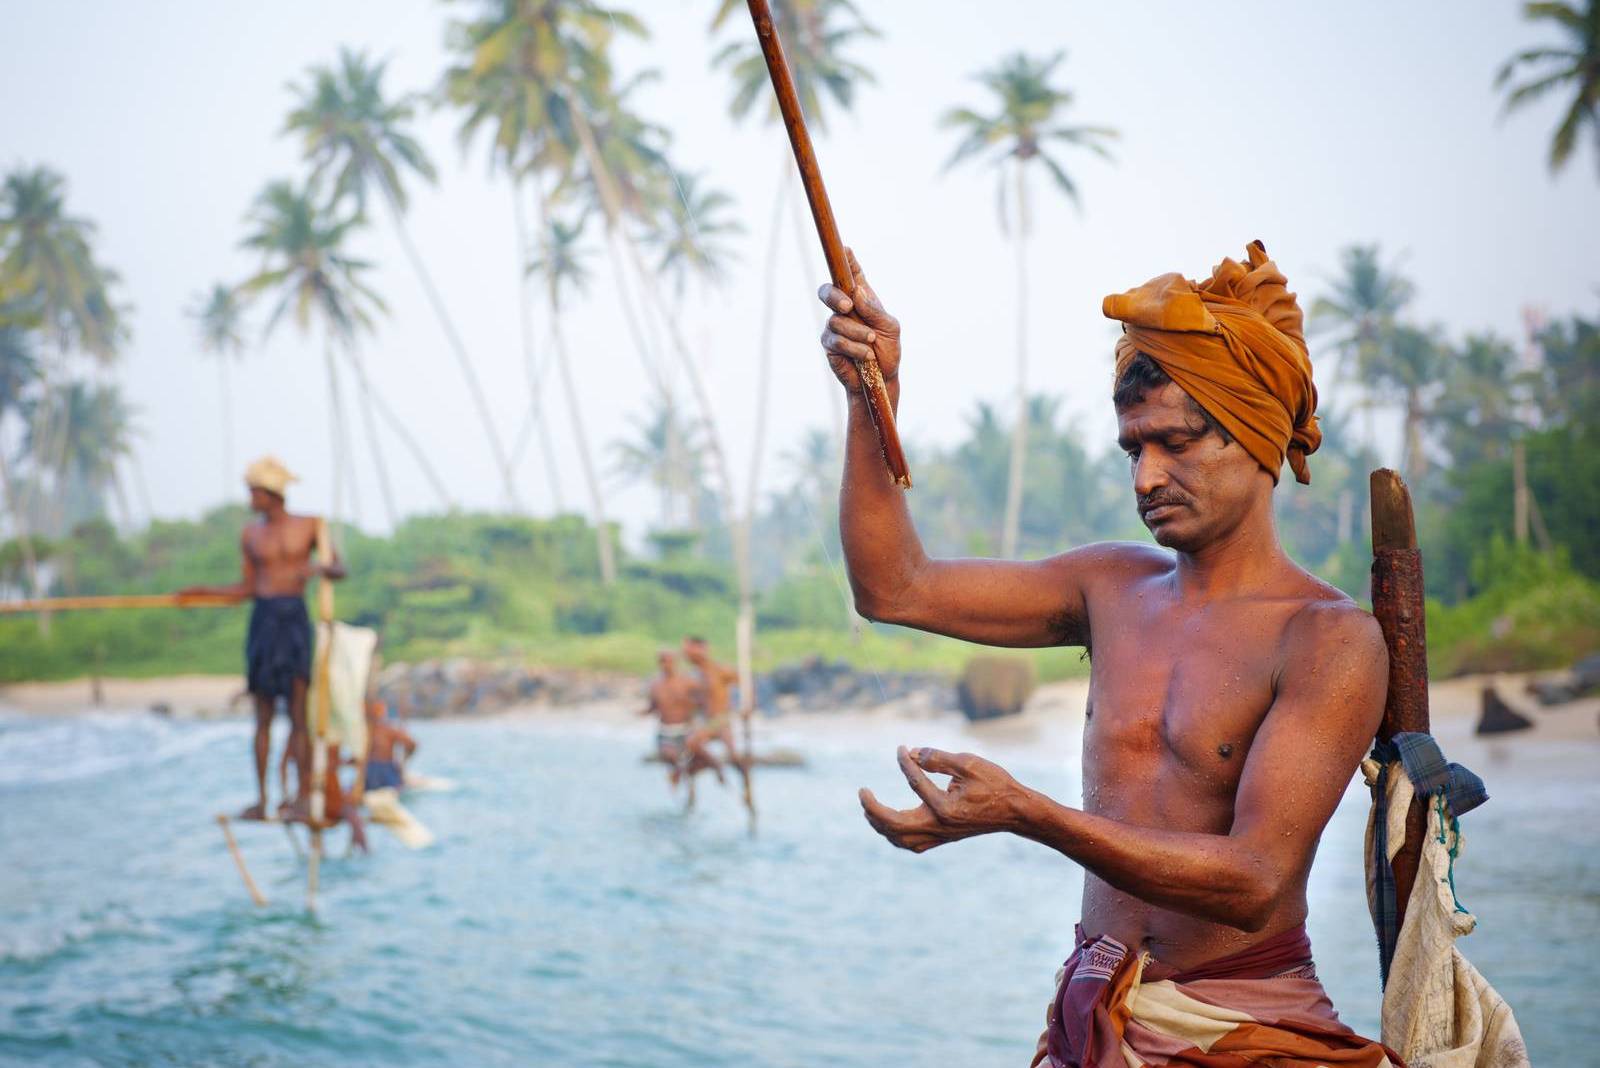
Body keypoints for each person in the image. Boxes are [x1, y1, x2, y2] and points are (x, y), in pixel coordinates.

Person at [818, 243, 1398, 1066]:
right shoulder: (1111, 587)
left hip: (1243, 1026)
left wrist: (1028, 813)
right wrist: (871, 395)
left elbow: (1255, 880)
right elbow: (894, 587)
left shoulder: (1328, 639)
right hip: (1094, 1016)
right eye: (1133, 449)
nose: (1145, 478)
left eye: (1176, 443)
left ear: (1255, 438)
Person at [179, 456, 345, 821]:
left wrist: (317, 568)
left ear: (272, 494)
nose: (250, 499)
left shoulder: (311, 525)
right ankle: (261, 800)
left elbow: (338, 568)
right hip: (264, 622)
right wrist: (203, 592)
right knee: (263, 717)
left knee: (299, 716)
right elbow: (247, 589)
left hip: (294, 620)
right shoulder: (251, 535)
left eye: (254, 492)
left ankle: (303, 797)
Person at [682, 636, 751, 801]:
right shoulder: (694, 675)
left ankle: (742, 783)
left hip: (720, 720)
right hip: (703, 721)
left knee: (731, 756)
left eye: (689, 651)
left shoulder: (719, 670)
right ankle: (711, 771)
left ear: (703, 649)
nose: (686, 655)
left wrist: (746, 706)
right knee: (690, 754)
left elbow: (745, 683)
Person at [640, 649, 709, 792]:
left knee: (698, 750)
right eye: (663, 661)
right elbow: (653, 707)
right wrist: (641, 713)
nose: (666, 665)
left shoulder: (687, 682)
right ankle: (679, 773)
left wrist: (695, 710)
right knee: (669, 755)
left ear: (675, 663)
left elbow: (703, 699)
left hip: (685, 729)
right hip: (665, 731)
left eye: (669, 661)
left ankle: (684, 774)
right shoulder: (655, 685)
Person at [364, 699, 417, 794]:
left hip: (383, 768)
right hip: (374, 769)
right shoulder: (370, 731)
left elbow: (412, 744)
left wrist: (403, 761)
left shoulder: (386, 730)